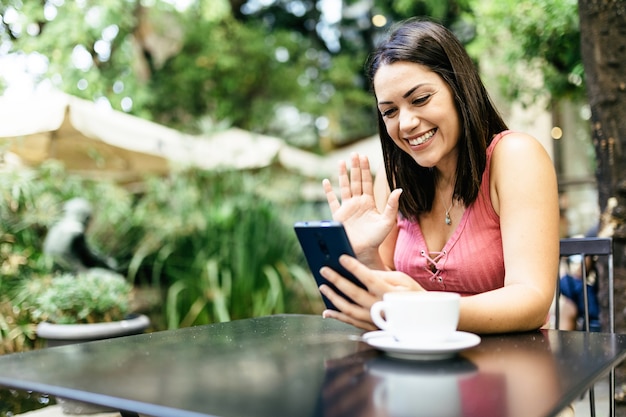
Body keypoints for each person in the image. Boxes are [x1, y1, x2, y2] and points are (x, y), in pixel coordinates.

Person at [318, 18, 560, 334]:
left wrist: (427, 309)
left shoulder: (514, 156)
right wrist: (364, 258)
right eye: (390, 111)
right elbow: (389, 299)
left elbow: (532, 298)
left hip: (510, 369)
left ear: (460, 89)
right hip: (417, 367)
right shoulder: (394, 177)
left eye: (420, 99)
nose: (405, 123)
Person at [43, 197, 118, 273]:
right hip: (70, 273)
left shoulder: (56, 227)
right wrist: (108, 264)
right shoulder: (75, 231)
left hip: (52, 270)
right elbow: (88, 258)